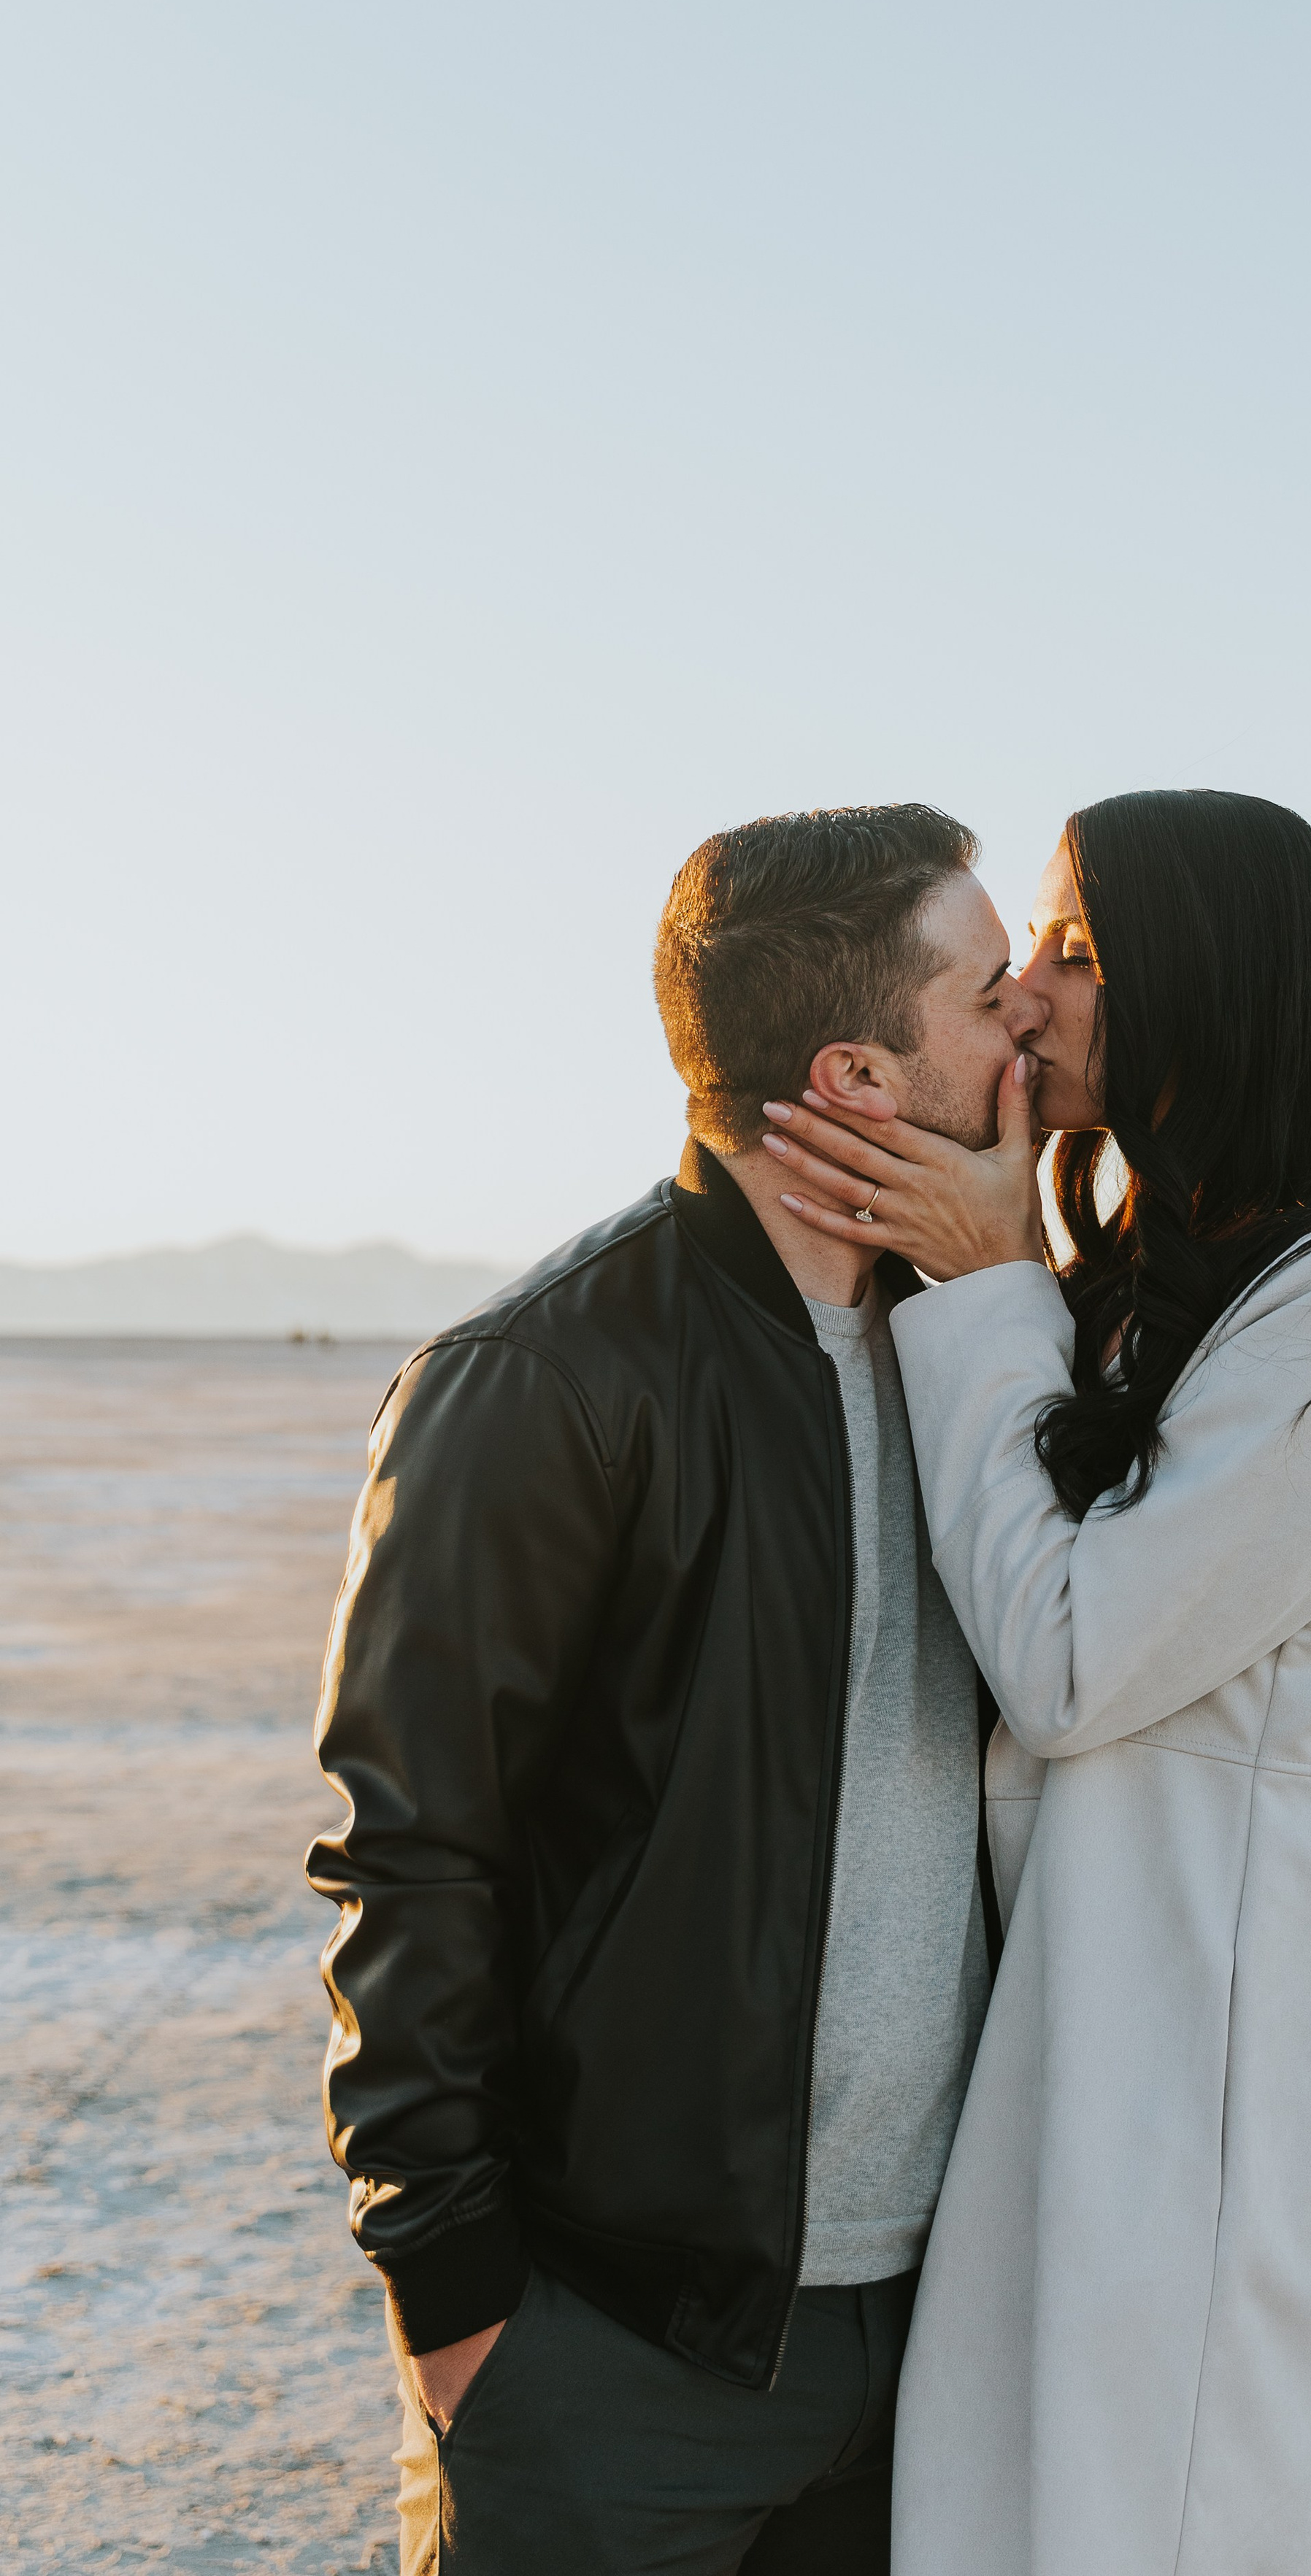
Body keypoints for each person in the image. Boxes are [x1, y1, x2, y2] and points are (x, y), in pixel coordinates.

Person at [760, 787, 1311, 2576]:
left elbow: (1073, 1659)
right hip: (1089, 2066)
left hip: (1221, 2110)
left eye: (1077, 950)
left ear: (1213, 979)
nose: (1022, 995)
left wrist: (987, 1278)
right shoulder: (1148, 1298)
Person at [307, 802, 1043, 2576]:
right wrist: (458, 2300)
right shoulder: (540, 1379)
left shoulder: (982, 1352)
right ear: (856, 1074)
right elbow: (409, 1855)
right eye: (987, 991)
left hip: (927, 2330)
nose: (1025, 1021)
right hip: (609, 2340)